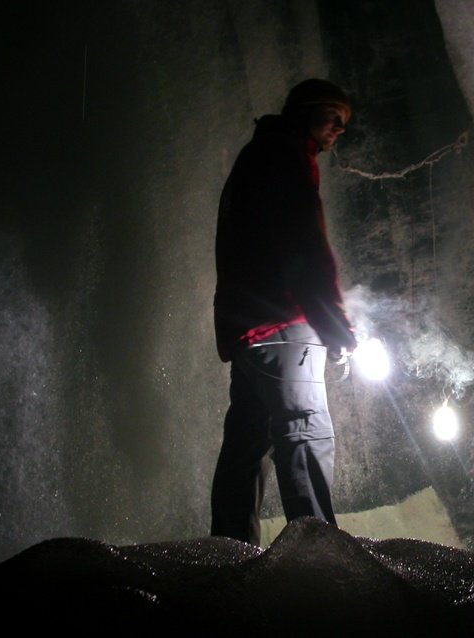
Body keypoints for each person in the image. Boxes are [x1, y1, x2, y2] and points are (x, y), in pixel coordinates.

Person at [211, 79, 358, 545]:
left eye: (344, 122)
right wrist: (336, 328)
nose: (339, 129)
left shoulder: (255, 155)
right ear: (304, 111)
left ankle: (229, 552)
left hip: (246, 329)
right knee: (305, 433)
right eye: (333, 117)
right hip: (284, 323)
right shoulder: (287, 156)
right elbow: (305, 248)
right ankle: (316, 560)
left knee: (246, 446)